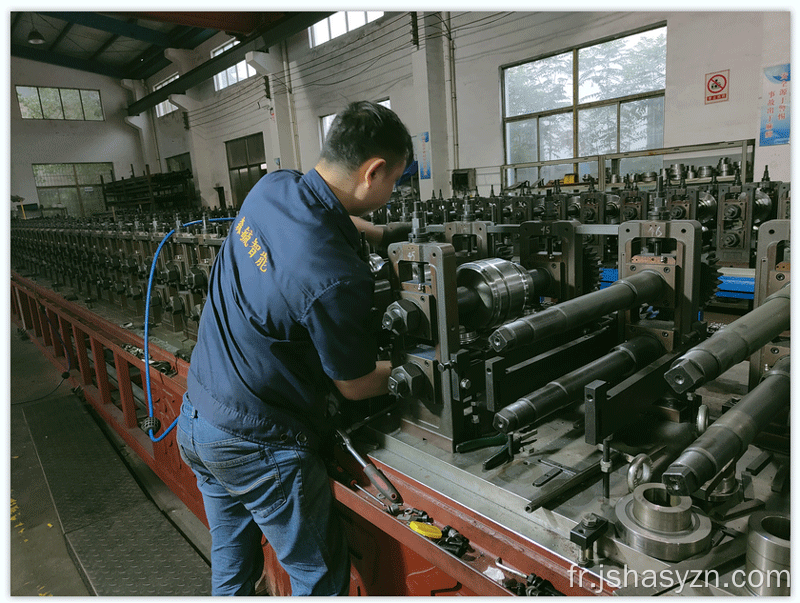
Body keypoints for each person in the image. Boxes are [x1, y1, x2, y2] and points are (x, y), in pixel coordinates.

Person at [176, 100, 414, 596]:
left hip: (198, 418)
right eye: (396, 180)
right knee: (317, 575)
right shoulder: (334, 277)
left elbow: (329, 221)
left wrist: (390, 235)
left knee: (233, 560)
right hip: (257, 443)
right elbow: (354, 384)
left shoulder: (272, 187)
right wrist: (416, 368)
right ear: (374, 172)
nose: (393, 193)